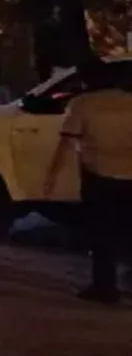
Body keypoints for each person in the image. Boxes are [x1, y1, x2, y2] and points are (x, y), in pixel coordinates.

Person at [43, 59, 132, 304]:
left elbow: (66, 143)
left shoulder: (82, 104)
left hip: (100, 176)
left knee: (102, 233)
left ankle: (105, 287)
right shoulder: (128, 100)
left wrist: (51, 176)